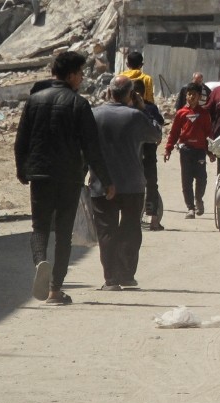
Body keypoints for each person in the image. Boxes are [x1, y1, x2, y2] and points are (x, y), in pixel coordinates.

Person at [15, 51, 114, 305]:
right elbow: (92, 147)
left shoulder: (34, 100)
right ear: (70, 75)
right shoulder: (78, 104)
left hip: (39, 174)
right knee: (63, 232)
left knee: (39, 226)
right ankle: (55, 290)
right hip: (69, 177)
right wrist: (106, 179)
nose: (82, 78)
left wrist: (21, 169)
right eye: (80, 73)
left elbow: (21, 141)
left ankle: (40, 262)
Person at [91, 76, 161, 291]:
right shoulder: (135, 116)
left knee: (106, 231)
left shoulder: (94, 114)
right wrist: (142, 108)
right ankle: (127, 275)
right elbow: (156, 135)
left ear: (109, 92)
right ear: (130, 94)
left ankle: (110, 279)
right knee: (130, 228)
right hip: (132, 185)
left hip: (101, 184)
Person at [163, 82, 213, 219]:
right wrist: (168, 149)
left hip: (200, 151)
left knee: (202, 178)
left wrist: (210, 152)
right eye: (189, 94)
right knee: (186, 180)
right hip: (186, 150)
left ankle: (199, 199)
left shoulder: (204, 114)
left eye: (194, 94)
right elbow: (174, 133)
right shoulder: (181, 113)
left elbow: (208, 134)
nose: (191, 97)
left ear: (199, 97)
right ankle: (190, 208)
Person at [130, 81, 166, 232]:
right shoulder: (128, 110)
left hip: (147, 155)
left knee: (151, 184)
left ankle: (153, 220)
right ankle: (133, 218)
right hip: (135, 156)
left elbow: (159, 124)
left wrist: (144, 109)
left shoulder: (149, 108)